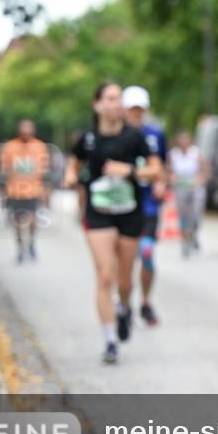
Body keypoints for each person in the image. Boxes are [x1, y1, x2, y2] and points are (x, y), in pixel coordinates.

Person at [64, 82, 162, 364]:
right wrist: (71, 176)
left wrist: (129, 170)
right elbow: (75, 162)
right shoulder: (88, 138)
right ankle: (109, 340)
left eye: (118, 99)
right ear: (97, 104)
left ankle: (125, 307)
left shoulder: (135, 137)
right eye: (110, 98)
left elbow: (156, 170)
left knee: (124, 279)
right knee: (105, 274)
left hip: (129, 212)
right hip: (98, 212)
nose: (116, 104)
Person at [122, 85, 168, 327]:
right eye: (132, 109)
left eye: (139, 109)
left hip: (149, 205)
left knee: (147, 254)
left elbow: (163, 166)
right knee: (126, 259)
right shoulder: (117, 135)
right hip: (123, 204)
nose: (136, 114)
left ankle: (146, 302)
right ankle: (125, 303)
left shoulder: (156, 134)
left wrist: (161, 182)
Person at [0, 119, 50, 264]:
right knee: (17, 222)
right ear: (18, 131)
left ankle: (31, 243)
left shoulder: (39, 146)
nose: (26, 133)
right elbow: (5, 167)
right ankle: (20, 249)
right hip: (15, 191)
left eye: (29, 130)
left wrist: (44, 187)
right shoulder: (10, 147)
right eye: (23, 130)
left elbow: (44, 168)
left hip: (33, 191)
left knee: (33, 219)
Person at [168, 130, 209, 257]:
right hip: (181, 188)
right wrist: (171, 178)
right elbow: (168, 170)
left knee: (196, 214)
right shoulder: (173, 154)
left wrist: (200, 180)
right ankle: (185, 240)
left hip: (195, 187)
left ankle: (194, 234)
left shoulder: (196, 153)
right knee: (183, 216)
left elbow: (205, 170)